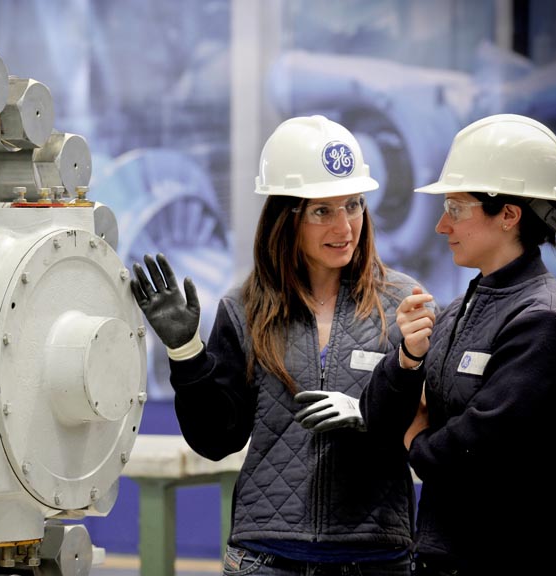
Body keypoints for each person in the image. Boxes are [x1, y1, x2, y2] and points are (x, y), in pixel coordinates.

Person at [130, 115, 430, 575]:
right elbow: (217, 440)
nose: (345, 227)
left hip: (376, 556)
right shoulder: (245, 309)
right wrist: (186, 352)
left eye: (353, 205)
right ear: (286, 218)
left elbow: (428, 429)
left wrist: (370, 409)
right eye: (322, 211)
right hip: (267, 557)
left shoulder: (403, 306)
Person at [362, 114, 556, 575]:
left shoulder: (543, 320)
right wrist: (407, 358)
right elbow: (379, 418)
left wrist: (417, 439)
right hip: (446, 558)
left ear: (508, 215)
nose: (440, 226)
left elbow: (476, 449)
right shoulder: (459, 312)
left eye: (455, 208)